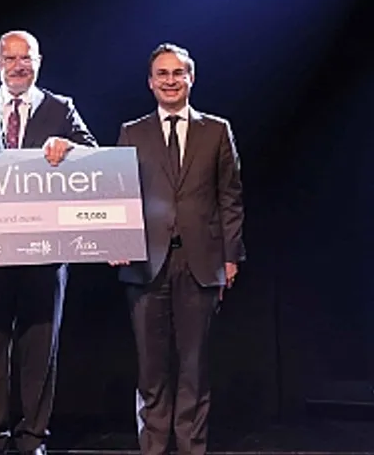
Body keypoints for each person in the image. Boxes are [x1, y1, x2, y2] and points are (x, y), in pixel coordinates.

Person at [0, 30, 97, 455]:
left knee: (40, 343)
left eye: (26, 58)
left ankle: (33, 435)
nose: (18, 66)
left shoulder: (60, 107)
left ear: (38, 62)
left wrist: (69, 146)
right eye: (11, 58)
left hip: (46, 249)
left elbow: (94, 155)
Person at [114, 44, 244, 455]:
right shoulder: (132, 132)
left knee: (194, 365)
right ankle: (153, 446)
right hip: (145, 262)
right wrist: (116, 241)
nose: (170, 81)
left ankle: (191, 446)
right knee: (151, 366)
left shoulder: (217, 130)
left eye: (177, 73)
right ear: (150, 82)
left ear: (191, 78)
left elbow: (230, 197)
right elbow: (120, 195)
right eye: (162, 74)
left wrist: (231, 256)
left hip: (201, 263)